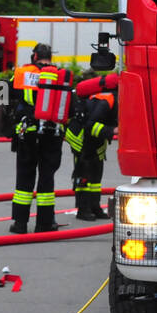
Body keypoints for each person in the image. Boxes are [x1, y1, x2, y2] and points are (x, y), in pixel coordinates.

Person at [9, 44, 71, 234]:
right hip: (52, 134)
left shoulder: (21, 73)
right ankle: (44, 224)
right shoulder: (60, 76)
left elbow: (0, 93)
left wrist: (11, 114)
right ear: (50, 57)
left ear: (34, 56)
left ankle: (20, 224)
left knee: (24, 178)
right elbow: (71, 108)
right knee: (47, 178)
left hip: (27, 133)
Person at [66, 72, 118, 221]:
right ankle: (83, 209)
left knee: (96, 173)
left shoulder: (111, 98)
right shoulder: (107, 100)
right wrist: (112, 131)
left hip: (95, 140)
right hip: (81, 138)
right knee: (83, 172)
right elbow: (90, 126)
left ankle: (95, 207)